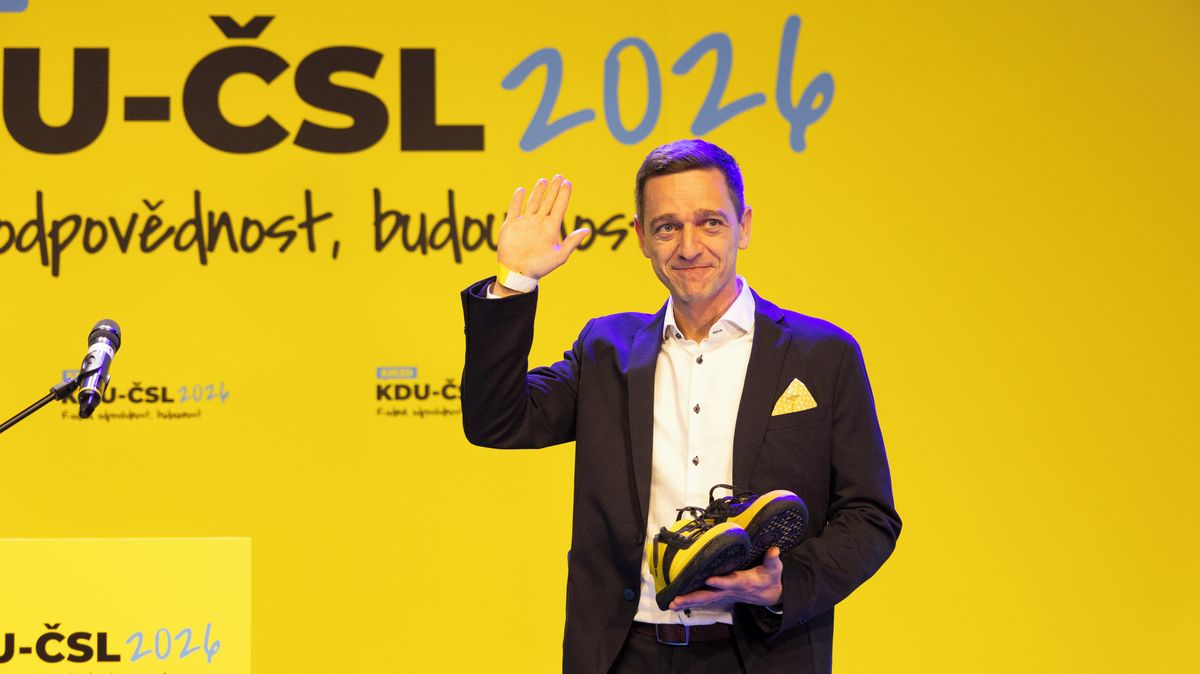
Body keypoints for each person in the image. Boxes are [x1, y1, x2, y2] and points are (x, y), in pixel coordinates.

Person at [460, 139, 900, 673]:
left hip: (763, 653)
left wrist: (784, 584)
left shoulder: (823, 354)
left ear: (744, 226)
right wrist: (515, 281)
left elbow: (869, 516)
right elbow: (497, 420)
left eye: (710, 223)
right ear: (642, 238)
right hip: (623, 655)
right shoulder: (607, 351)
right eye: (667, 227)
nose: (689, 247)